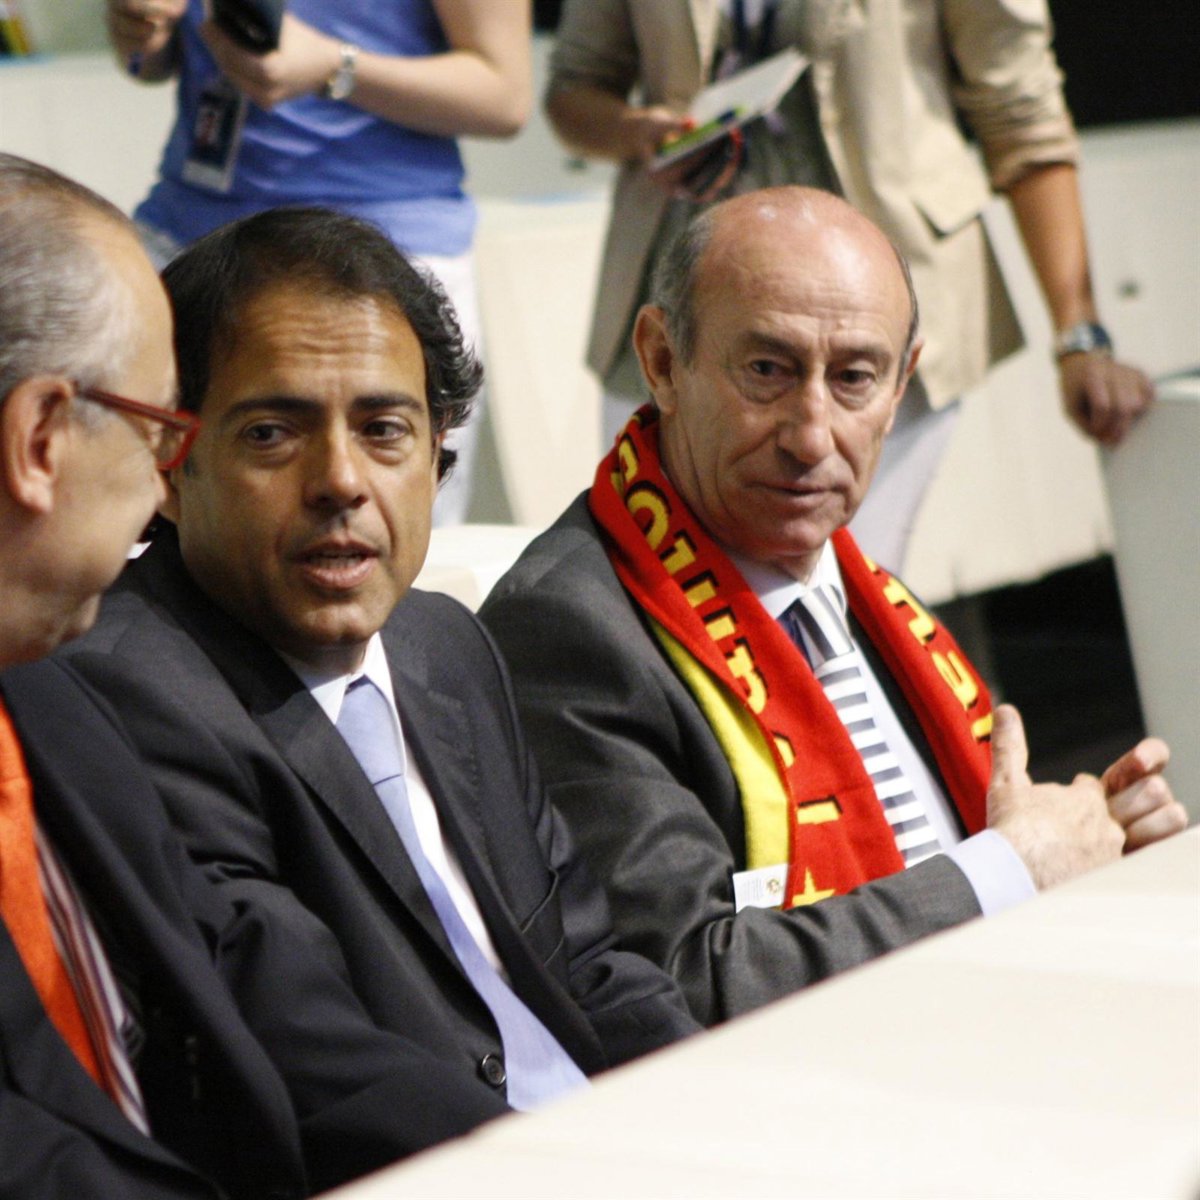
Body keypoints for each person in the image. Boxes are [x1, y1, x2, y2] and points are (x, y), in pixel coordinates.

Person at [478, 187, 1188, 1025]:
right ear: (663, 361)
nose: (811, 435)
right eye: (767, 371)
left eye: (854, 378)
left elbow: (962, 867)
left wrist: (1090, 845)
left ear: (902, 385)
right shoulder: (568, 631)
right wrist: (1010, 869)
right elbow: (686, 987)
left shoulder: (864, 594)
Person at [64, 206, 699, 1123]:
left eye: (384, 428)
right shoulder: (124, 694)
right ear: (169, 466)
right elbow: (317, 1074)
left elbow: (590, 966)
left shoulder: (445, 644)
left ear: (437, 452)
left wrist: (718, 1112)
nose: (341, 481)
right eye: (272, 433)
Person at [544, 0, 1155, 570]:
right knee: (661, 578)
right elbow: (576, 86)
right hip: (684, 287)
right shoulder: (662, 349)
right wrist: (639, 134)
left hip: (880, 297)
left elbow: (1022, 110)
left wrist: (1079, 334)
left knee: (838, 584)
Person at [0, 151, 307, 1199]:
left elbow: (242, 977)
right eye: (157, 432)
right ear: (41, 439)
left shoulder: (52, 688)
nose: (162, 481)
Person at [104, 0, 533, 524]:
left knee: (381, 529)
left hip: (385, 252)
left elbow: (505, 97)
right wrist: (140, 30)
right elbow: (153, 62)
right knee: (133, 510)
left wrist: (337, 66)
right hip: (188, 230)